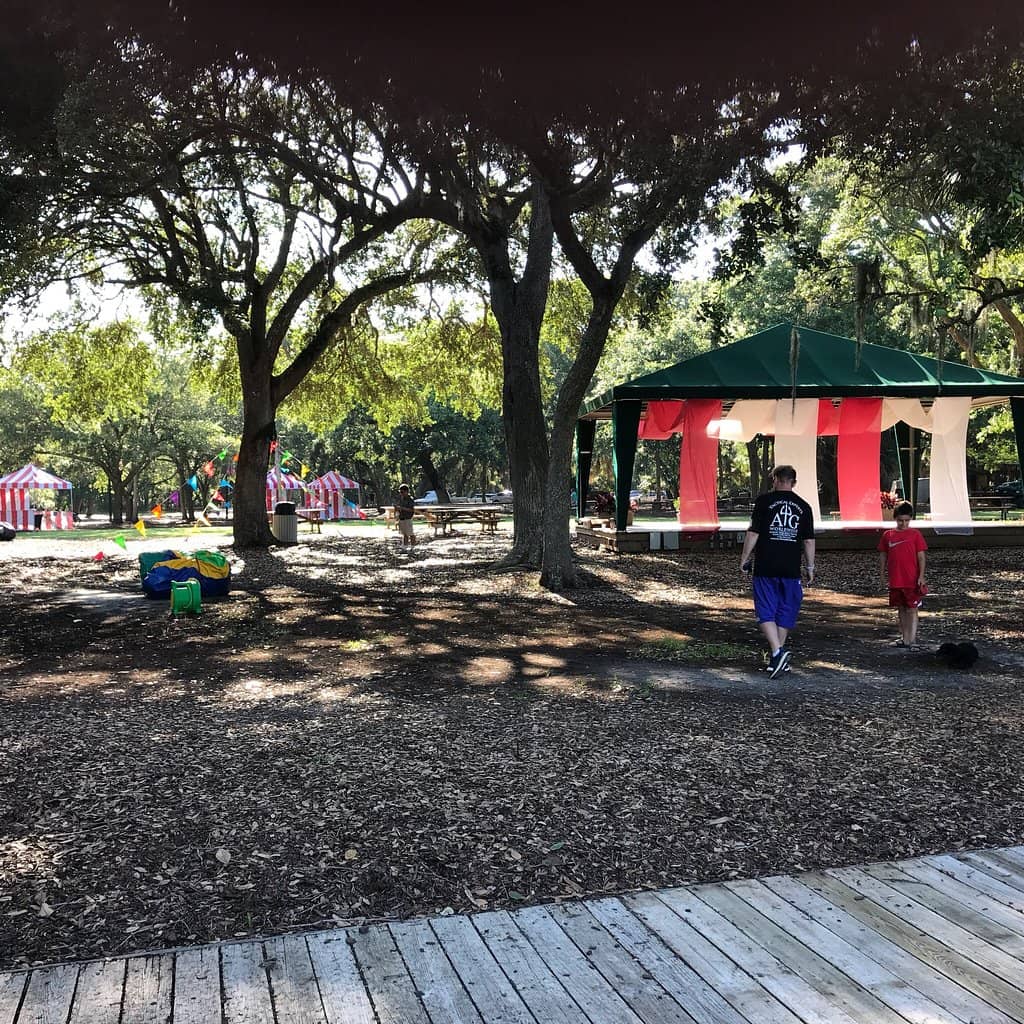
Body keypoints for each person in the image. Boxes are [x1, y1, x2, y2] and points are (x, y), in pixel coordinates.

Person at [738, 465, 815, 678]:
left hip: (766, 565)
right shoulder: (804, 506)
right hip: (791, 568)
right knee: (785, 611)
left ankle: (777, 653)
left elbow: (753, 533)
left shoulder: (764, 502)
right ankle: (777, 658)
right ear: (794, 482)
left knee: (765, 610)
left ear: (775, 479)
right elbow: (808, 541)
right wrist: (810, 567)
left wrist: (744, 558)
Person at [877, 500, 927, 647]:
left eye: (906, 521)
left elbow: (921, 556)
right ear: (895, 518)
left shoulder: (915, 535)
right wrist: (881, 574)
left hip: (911, 579)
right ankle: (904, 637)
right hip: (895, 579)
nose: (903, 524)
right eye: (900, 521)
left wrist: (921, 576)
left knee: (912, 608)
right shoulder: (888, 535)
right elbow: (883, 555)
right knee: (901, 608)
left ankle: (911, 639)